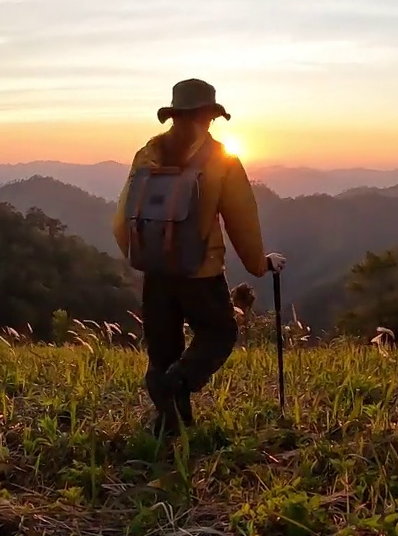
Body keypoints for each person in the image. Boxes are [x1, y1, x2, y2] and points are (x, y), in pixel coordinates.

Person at [113, 78, 286, 436]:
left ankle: (170, 422)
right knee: (219, 334)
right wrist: (260, 264)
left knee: (164, 347)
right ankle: (179, 384)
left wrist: (141, 254)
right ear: (209, 115)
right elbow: (242, 222)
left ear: (174, 114)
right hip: (201, 272)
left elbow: (122, 219)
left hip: (156, 271)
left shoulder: (147, 155)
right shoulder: (221, 160)